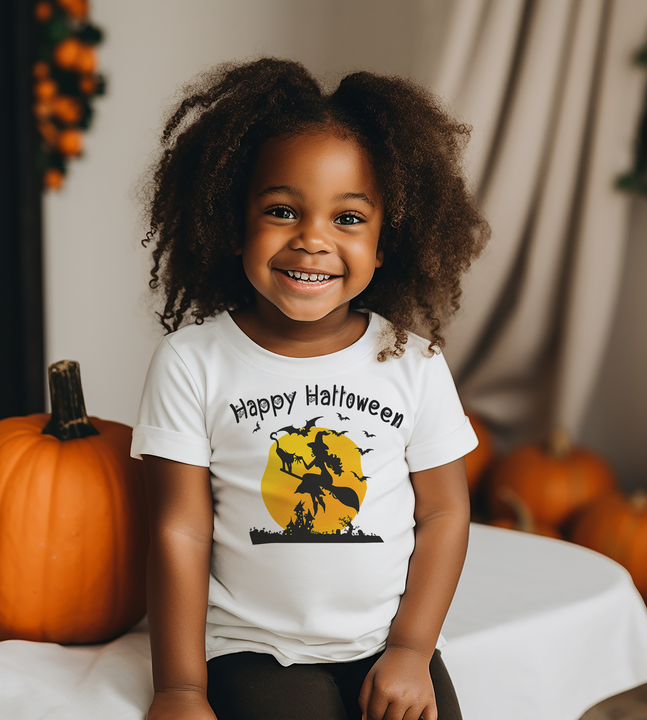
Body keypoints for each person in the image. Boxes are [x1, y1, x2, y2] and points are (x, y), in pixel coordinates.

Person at [131, 57, 489, 720]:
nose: (313, 240)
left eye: (348, 219)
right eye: (282, 210)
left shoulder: (411, 361)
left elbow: (444, 514)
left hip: (386, 643)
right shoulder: (192, 362)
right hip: (254, 649)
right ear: (233, 224)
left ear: (387, 242)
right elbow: (180, 529)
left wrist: (412, 651)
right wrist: (178, 688)